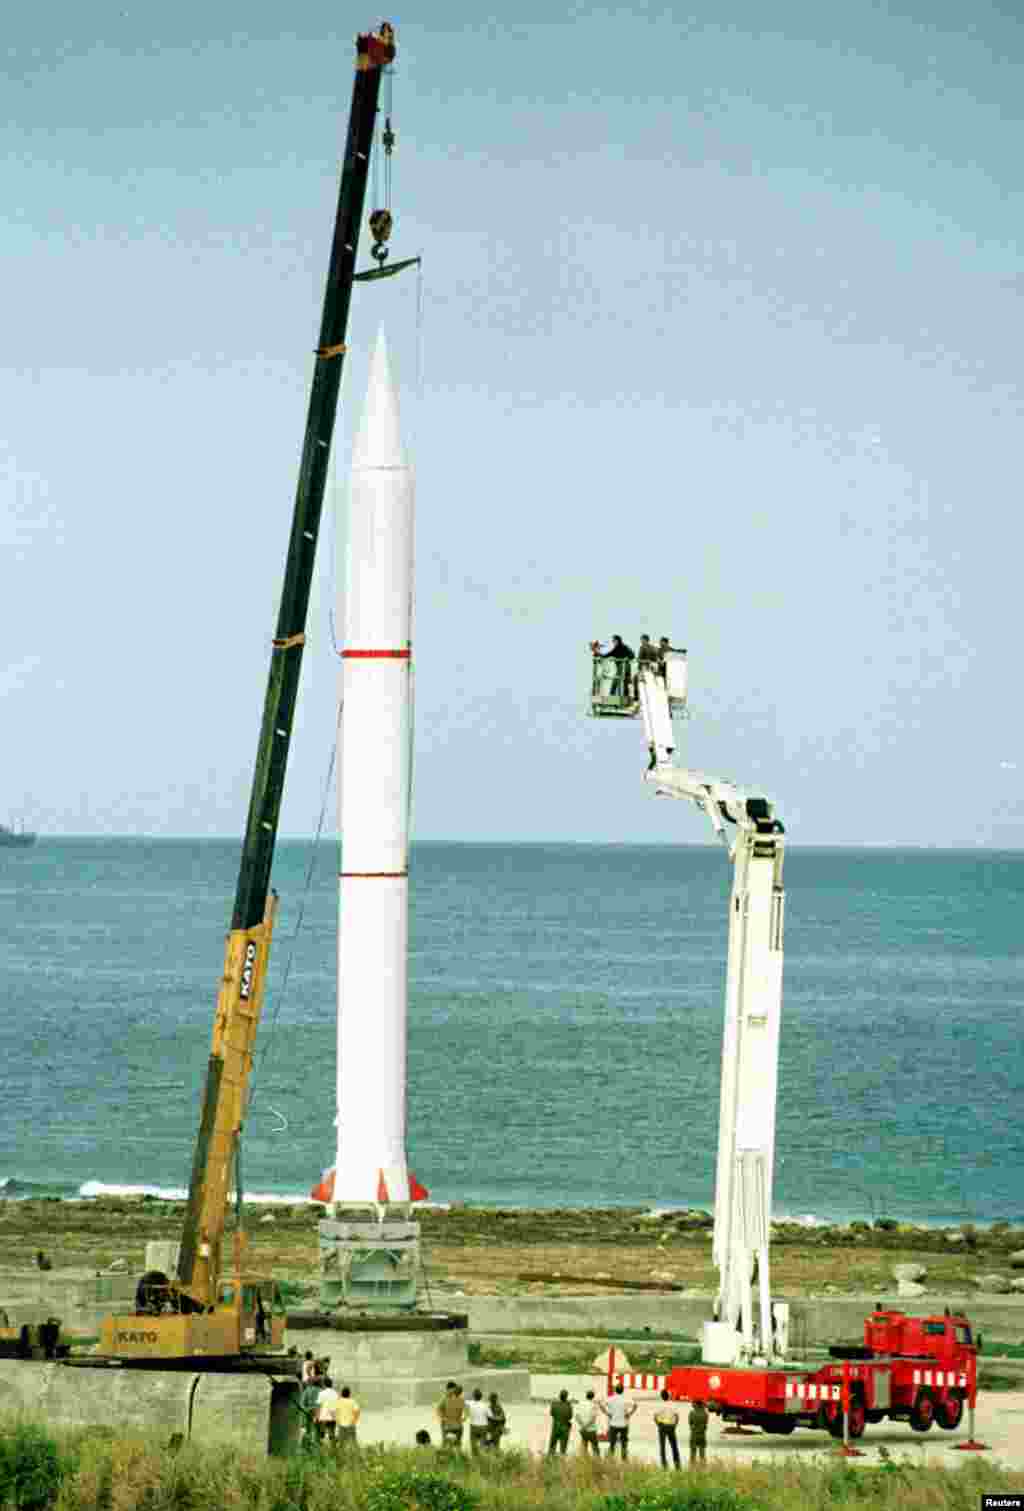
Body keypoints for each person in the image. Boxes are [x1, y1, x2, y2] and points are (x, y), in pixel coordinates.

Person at [598, 1384, 637, 1459]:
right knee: (624, 1444)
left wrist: (607, 1413)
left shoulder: (610, 1399)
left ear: (615, 1390)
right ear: (623, 1390)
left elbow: (601, 1405)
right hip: (624, 1424)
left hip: (613, 1424)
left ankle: (611, 1459)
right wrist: (629, 1414)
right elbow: (635, 1405)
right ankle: (624, 1459)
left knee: (612, 1444)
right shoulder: (626, 1399)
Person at [654, 1389, 681, 1469]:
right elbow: (677, 1416)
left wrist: (658, 1424)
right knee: (674, 1445)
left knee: (662, 1446)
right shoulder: (673, 1404)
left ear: (661, 1397)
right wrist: (675, 1425)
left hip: (662, 1426)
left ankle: (664, 1463)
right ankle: (677, 1462)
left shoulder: (660, 1405)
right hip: (671, 1426)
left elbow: (655, 1417)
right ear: (668, 1396)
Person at [436, 1382, 467, 1449]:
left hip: (457, 1426)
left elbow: (465, 1410)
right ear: (448, 1389)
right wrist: (443, 1418)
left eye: (455, 1389)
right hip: (447, 1426)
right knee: (446, 1444)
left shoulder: (459, 1399)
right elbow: (438, 1410)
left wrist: (464, 1418)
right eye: (453, 1389)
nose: (454, 1391)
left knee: (457, 1444)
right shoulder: (444, 1399)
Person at [333, 1386, 360, 1452]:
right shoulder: (352, 1401)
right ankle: (356, 1453)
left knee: (341, 1443)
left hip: (341, 1425)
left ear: (341, 1393)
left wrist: (337, 1420)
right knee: (353, 1442)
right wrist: (354, 1421)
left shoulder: (338, 1401)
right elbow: (357, 1411)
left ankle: (341, 1454)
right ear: (349, 1394)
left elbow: (334, 1412)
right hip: (351, 1424)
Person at [574, 1389, 601, 1456]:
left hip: (582, 1430)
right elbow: (593, 1419)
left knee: (584, 1447)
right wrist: (586, 1426)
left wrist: (583, 1426)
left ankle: (584, 1460)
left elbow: (577, 1417)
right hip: (591, 1429)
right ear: (593, 1397)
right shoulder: (594, 1405)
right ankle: (596, 1460)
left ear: (586, 1396)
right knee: (595, 1448)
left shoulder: (580, 1404)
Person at [548, 1389, 573, 1455]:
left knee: (552, 1446)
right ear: (566, 1397)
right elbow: (570, 1416)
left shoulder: (554, 1404)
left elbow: (551, 1413)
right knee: (563, 1448)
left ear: (559, 1396)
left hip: (556, 1426)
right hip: (565, 1427)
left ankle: (550, 1458)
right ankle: (562, 1458)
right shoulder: (569, 1405)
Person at [466, 1388, 490, 1455]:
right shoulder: (485, 1405)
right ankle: (482, 1456)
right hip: (483, 1427)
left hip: (474, 1426)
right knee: (483, 1444)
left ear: (473, 1396)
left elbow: (463, 1402)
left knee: (473, 1443)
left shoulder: (470, 1403)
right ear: (481, 1397)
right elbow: (490, 1416)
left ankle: (474, 1456)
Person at [316, 1376, 339, 1442]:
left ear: (324, 1384)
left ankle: (321, 1445)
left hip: (323, 1417)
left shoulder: (321, 1393)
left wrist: (317, 1416)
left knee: (321, 1435)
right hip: (333, 1416)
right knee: (331, 1434)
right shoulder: (335, 1393)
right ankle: (333, 1444)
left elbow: (319, 1406)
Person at [689, 1398, 709, 1465]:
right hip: (702, 1434)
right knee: (702, 1451)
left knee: (693, 1451)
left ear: (696, 1404)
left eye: (693, 1403)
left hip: (694, 1434)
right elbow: (706, 1423)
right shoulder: (705, 1414)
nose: (692, 1404)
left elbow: (690, 1423)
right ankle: (703, 1465)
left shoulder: (692, 1413)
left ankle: (692, 1465)